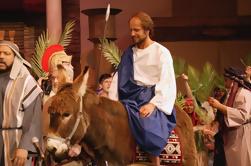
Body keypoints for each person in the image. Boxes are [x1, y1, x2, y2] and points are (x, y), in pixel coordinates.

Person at [109, 12, 176, 165]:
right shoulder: (129, 53)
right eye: (131, 30)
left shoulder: (161, 52)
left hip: (152, 98)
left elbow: (167, 81)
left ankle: (155, 162)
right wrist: (111, 102)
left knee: (147, 127)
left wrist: (153, 104)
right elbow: (118, 78)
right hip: (129, 97)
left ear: (147, 30)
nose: (132, 34)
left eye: (136, 30)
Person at [0, 40, 42, 166]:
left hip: (16, 142)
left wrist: (25, 145)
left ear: (16, 57)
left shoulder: (26, 82)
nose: (1, 56)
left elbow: (34, 118)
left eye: (6, 53)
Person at [208, 67, 251, 166]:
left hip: (241, 134)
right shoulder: (230, 94)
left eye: (226, 80)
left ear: (233, 80)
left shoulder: (244, 93)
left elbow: (242, 115)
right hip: (231, 136)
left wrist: (219, 105)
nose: (224, 82)